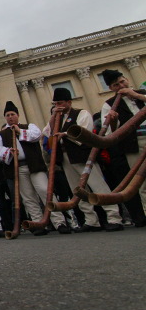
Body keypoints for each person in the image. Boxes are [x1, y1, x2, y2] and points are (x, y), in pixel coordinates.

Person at [43, 87, 124, 232]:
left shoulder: (81, 113)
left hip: (82, 154)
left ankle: (114, 217)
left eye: (60, 103)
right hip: (66, 157)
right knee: (78, 190)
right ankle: (91, 220)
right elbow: (47, 134)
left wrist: (65, 134)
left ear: (69, 102)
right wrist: (53, 117)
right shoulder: (57, 118)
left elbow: (83, 132)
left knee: (98, 186)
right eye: (55, 104)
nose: (58, 106)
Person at [0, 101, 71, 235]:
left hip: (34, 166)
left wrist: (19, 131)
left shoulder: (29, 126)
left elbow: (36, 135)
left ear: (18, 115)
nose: (10, 117)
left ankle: (59, 222)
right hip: (19, 168)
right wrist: (8, 152)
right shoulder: (1, 135)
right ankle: (38, 224)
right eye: (8, 115)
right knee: (28, 197)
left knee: (45, 191)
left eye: (13, 114)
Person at [101, 69, 146, 218]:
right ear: (111, 88)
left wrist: (137, 95)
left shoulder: (142, 94)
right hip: (135, 145)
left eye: (122, 81)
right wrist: (113, 121)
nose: (121, 85)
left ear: (127, 79)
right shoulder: (109, 105)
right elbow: (109, 134)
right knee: (141, 183)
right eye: (116, 85)